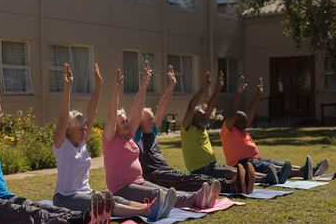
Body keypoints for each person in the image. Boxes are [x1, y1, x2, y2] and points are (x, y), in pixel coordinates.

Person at [0, 53, 103, 224]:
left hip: (5, 197)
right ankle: (81, 222)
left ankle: (87, 215)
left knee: (34, 205)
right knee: (25, 213)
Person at [52, 62, 167, 224]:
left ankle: (151, 206)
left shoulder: (83, 143)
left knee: (114, 198)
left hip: (87, 193)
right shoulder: (61, 146)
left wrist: (99, 85)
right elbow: (63, 118)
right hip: (65, 198)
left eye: (86, 129)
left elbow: (92, 112)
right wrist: (67, 88)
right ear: (69, 130)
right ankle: (146, 211)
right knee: (103, 204)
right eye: (81, 130)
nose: (85, 132)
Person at [103, 61, 215, 213]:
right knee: (159, 194)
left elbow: (137, 111)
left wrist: (144, 85)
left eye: (125, 120)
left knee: (165, 190)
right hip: (122, 189)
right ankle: (196, 199)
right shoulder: (110, 140)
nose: (126, 122)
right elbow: (110, 115)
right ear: (114, 126)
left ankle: (196, 197)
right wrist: (116, 87)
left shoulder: (129, 135)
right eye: (122, 122)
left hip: (139, 182)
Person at [135, 65, 225, 196]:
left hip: (164, 170)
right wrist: (144, 85)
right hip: (155, 175)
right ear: (139, 122)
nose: (152, 122)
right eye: (149, 120)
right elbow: (137, 111)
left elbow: (162, 109)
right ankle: (225, 185)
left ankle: (224, 184)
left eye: (152, 119)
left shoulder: (152, 132)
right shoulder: (137, 137)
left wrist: (171, 86)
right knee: (185, 180)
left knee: (182, 178)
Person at [220, 76, 329, 184]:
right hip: (240, 163)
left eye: (245, 121)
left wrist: (258, 95)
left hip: (255, 159)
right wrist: (239, 93)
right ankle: (303, 172)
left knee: (279, 164)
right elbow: (232, 113)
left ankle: (307, 170)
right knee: (271, 167)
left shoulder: (242, 130)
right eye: (242, 121)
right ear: (234, 121)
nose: (246, 123)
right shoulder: (228, 130)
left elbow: (251, 113)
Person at [180, 71, 256, 194]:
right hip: (200, 170)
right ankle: (244, 183)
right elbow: (191, 106)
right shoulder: (187, 130)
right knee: (233, 172)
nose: (205, 117)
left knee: (235, 171)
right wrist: (203, 89)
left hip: (212, 165)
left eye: (205, 116)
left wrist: (219, 87)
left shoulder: (202, 127)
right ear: (192, 119)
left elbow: (211, 105)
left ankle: (253, 181)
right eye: (200, 116)